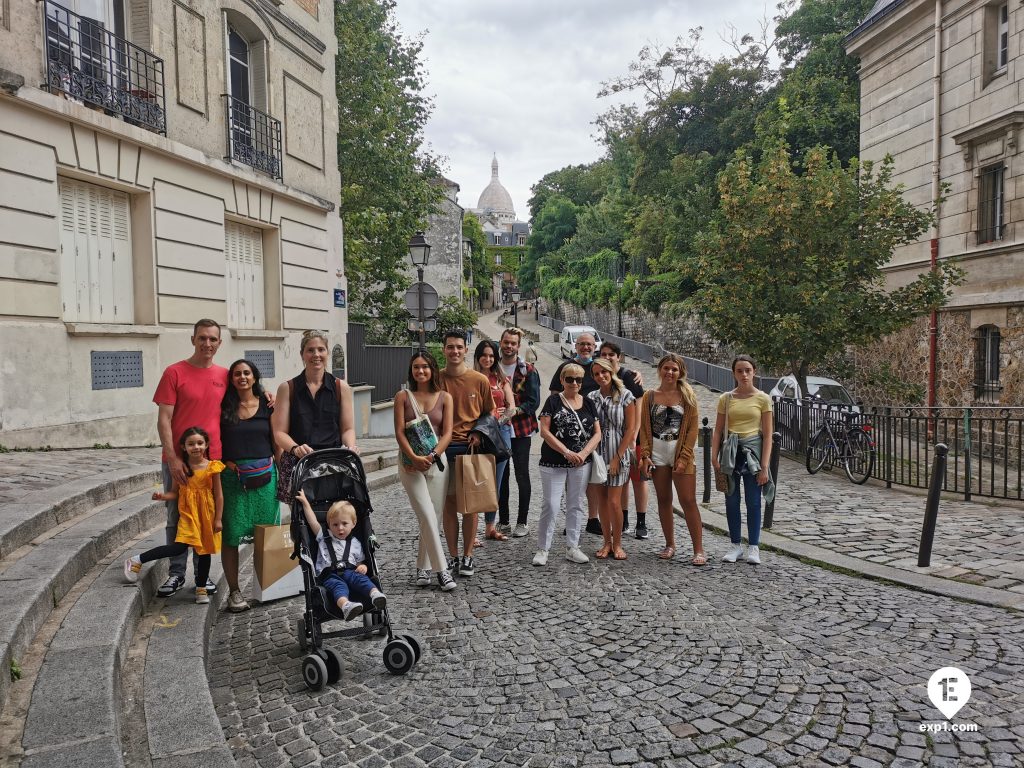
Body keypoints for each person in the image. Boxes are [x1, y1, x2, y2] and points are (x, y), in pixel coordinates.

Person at [152, 319, 227, 598]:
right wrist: (172, 458)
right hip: (180, 460)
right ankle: (175, 574)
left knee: (206, 518)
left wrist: (266, 394)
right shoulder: (174, 372)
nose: (207, 344)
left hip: (212, 462)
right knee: (178, 517)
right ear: (193, 339)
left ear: (219, 342)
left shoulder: (224, 374)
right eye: (202, 338)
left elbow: (246, 395)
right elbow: (164, 419)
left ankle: (202, 577)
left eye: (213, 339)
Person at [124, 427, 223, 604]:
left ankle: (201, 590)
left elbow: (219, 495)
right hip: (188, 515)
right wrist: (162, 496)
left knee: (205, 551)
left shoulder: (212, 467)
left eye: (200, 443)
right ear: (184, 447)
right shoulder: (182, 470)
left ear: (206, 444)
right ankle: (137, 560)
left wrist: (218, 519)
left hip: (206, 515)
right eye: (191, 444)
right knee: (178, 548)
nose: (196, 447)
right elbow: (174, 493)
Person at [219, 359, 280, 612]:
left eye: (247, 373)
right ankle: (234, 591)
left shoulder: (269, 405)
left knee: (265, 535)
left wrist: (283, 472)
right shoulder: (223, 407)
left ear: (254, 377)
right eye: (237, 374)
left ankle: (266, 587)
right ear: (231, 379)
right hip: (233, 480)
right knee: (231, 536)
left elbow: (276, 442)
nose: (242, 377)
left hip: (266, 477)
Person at [393, 351, 457, 591]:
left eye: (425, 367)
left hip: (437, 462)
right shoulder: (402, 396)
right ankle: (442, 571)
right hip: (410, 464)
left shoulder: (445, 397)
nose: (420, 371)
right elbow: (399, 432)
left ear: (433, 369)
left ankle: (422, 567)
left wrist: (431, 456)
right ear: (411, 370)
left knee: (433, 516)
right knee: (427, 514)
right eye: (416, 367)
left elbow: (448, 432)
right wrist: (414, 457)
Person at [272, 330, 358, 499]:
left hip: (333, 463)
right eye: (310, 350)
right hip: (301, 463)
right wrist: (295, 448)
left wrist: (350, 447)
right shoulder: (287, 388)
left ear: (327, 353)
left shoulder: (341, 388)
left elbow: (347, 428)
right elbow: (279, 432)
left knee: (335, 518)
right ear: (302, 354)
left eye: (321, 349)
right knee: (303, 520)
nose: (316, 354)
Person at [637, 354, 705, 564]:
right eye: (666, 368)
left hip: (679, 450)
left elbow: (693, 429)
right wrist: (645, 455)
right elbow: (645, 428)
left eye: (674, 369)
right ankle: (670, 544)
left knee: (688, 501)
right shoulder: (650, 396)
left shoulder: (687, 396)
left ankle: (699, 549)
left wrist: (684, 456)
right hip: (658, 452)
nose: (670, 372)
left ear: (680, 372)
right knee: (664, 500)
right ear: (660, 370)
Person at [533, 363, 603, 566]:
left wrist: (583, 453)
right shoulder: (553, 401)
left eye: (578, 379)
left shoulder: (589, 403)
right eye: (570, 379)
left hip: (581, 463)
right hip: (553, 462)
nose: (574, 383)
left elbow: (597, 432)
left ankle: (573, 547)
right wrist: (566, 451)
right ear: (562, 380)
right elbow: (545, 431)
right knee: (551, 505)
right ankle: (543, 548)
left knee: (576, 505)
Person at [438, 330, 495, 577]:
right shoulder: (435, 379)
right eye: (450, 347)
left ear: (466, 350)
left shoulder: (479, 380)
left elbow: (489, 414)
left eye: (459, 347)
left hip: (470, 448)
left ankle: (468, 556)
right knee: (449, 505)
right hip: (442, 450)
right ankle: (452, 556)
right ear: (444, 350)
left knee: (471, 506)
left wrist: (479, 432)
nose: (455, 351)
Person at [712, 355, 775, 565]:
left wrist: (765, 467)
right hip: (731, 454)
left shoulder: (763, 399)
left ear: (754, 371)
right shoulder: (726, 398)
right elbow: (718, 430)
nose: (744, 374)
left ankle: (754, 547)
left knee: (753, 501)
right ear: (734, 373)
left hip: (753, 454)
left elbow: (767, 436)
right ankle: (735, 545)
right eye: (740, 371)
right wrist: (714, 456)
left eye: (748, 370)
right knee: (731, 500)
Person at [295, 491, 386, 620]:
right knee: (339, 587)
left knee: (362, 579)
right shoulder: (323, 536)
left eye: (344, 523)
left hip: (351, 571)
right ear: (329, 524)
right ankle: (346, 606)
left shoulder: (355, 543)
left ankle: (375, 595)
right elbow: (312, 521)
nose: (340, 528)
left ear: (353, 524)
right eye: (335, 525)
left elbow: (359, 561)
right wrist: (305, 502)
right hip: (329, 575)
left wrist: (362, 567)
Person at [550, 332, 602, 536]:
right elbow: (555, 395)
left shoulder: (599, 366)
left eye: (589, 344)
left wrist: (636, 373)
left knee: (593, 478)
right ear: (575, 346)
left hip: (596, 428)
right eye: (581, 344)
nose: (585, 348)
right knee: (572, 479)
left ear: (594, 346)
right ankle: (573, 520)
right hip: (572, 431)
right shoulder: (566, 367)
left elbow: (618, 376)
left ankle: (593, 518)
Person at [587, 358, 638, 560]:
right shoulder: (591, 397)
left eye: (604, 372)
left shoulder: (626, 396)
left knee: (614, 501)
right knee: (602, 501)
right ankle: (606, 542)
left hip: (618, 451)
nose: (601, 376)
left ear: (611, 372)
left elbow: (630, 429)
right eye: (597, 373)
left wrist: (617, 457)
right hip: (598, 454)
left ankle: (617, 543)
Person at [598, 342, 649, 539]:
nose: (608, 357)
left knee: (638, 479)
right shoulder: (601, 376)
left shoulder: (630, 377)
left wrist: (632, 439)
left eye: (611, 354)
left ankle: (641, 521)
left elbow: (639, 412)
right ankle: (624, 519)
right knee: (622, 481)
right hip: (613, 440)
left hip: (634, 438)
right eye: (604, 354)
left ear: (618, 356)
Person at [496, 328, 541, 538]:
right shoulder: (492, 369)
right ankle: (503, 521)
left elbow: (534, 402)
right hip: (497, 431)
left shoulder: (528, 370)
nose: (509, 346)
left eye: (513, 343)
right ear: (501, 342)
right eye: (506, 342)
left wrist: (514, 412)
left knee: (522, 475)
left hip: (521, 431)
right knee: (501, 477)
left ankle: (522, 521)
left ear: (518, 346)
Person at [474, 340, 515, 542]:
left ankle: (490, 527)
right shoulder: (471, 378)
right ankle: (471, 532)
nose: (488, 359)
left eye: (492, 356)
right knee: (475, 481)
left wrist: (500, 419)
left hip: (501, 433)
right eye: (485, 355)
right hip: (479, 434)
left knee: (495, 484)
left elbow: (512, 407)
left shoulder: (501, 379)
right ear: (478, 356)